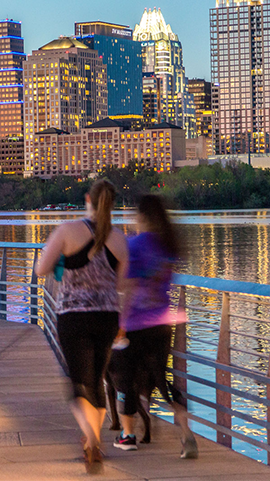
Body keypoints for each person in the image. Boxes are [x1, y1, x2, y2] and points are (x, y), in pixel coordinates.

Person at [34, 179, 128, 475]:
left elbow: (40, 270)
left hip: (73, 316)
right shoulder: (120, 240)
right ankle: (93, 440)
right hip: (108, 317)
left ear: (88, 199)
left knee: (77, 384)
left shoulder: (68, 230)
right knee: (98, 380)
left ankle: (93, 438)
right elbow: (122, 287)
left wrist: (60, 257)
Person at [109, 194, 197, 459]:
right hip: (161, 324)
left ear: (143, 217)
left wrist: (120, 325)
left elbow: (125, 287)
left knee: (124, 380)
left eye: (136, 215)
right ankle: (186, 433)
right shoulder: (168, 246)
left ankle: (128, 435)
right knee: (161, 379)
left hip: (135, 325)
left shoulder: (133, 246)